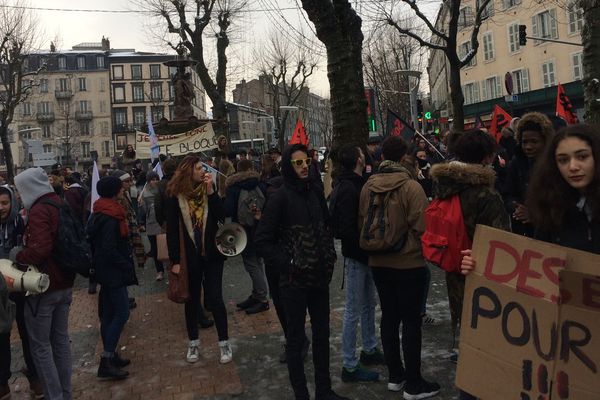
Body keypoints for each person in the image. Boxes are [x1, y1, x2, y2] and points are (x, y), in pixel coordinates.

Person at [460, 124, 599, 399]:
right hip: (564, 339)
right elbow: (536, 266)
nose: (573, 166)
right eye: (563, 160)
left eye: (581, 156)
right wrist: (481, 265)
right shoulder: (552, 208)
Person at [256, 144, 348, 400]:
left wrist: (329, 255)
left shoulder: (315, 191)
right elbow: (262, 240)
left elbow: (326, 226)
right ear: (288, 166)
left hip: (319, 277)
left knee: (322, 336)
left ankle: (324, 390)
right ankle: (301, 395)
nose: (304, 166)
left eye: (306, 161)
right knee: (296, 341)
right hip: (294, 283)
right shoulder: (279, 198)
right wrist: (288, 263)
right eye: (298, 163)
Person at [429, 130, 510, 400]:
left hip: (455, 275)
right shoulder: (486, 196)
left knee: (468, 345)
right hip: (485, 281)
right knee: (488, 352)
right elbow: (501, 249)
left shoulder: (444, 187)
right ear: (487, 157)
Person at [358, 136, 440, 399]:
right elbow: (422, 226)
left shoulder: (367, 187)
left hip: (378, 262)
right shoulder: (411, 186)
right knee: (411, 322)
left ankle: (396, 376)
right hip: (408, 263)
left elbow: (363, 220)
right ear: (404, 155)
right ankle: (414, 384)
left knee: (389, 318)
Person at [13, 168, 76, 400]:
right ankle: (65, 394)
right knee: (60, 341)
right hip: (65, 283)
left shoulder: (39, 210)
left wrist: (18, 255)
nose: (18, 195)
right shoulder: (59, 203)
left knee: (40, 347)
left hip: (45, 286)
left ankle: (54, 396)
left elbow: (40, 250)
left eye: (20, 189)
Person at [164, 155, 232, 364]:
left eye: (203, 167)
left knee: (215, 299)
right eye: (198, 168)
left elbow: (222, 216)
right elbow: (172, 231)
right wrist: (175, 261)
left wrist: (212, 192)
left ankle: (224, 343)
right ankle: (193, 343)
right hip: (189, 257)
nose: (203, 171)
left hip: (212, 254)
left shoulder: (208, 191)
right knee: (192, 300)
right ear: (188, 172)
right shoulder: (175, 196)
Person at [331, 144, 383, 383]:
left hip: (363, 254)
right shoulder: (349, 187)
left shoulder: (355, 183)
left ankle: (370, 348)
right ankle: (349, 365)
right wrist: (364, 244)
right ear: (359, 160)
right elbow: (345, 227)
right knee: (353, 309)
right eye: (362, 153)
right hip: (357, 255)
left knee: (368, 304)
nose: (365, 155)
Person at [87, 176, 136, 380]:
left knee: (108, 314)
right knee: (122, 312)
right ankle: (107, 359)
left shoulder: (99, 210)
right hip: (113, 272)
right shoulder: (111, 215)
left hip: (104, 271)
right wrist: (125, 264)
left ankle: (112, 354)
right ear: (115, 191)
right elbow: (108, 247)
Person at [0, 185, 43, 399]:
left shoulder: (21, 222)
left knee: (28, 333)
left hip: (21, 287)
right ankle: (2, 382)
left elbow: (30, 249)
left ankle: (35, 377)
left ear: (12, 203)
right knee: (1, 336)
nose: (1, 207)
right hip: (0, 291)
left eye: (5, 203)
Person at [225, 159, 270, 315]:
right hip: (260, 227)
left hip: (242, 230)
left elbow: (228, 210)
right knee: (258, 262)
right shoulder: (261, 183)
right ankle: (257, 294)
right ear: (251, 168)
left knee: (251, 263)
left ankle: (263, 298)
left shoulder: (233, 187)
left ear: (238, 170)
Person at [502, 112, 554, 238]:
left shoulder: (556, 163)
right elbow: (508, 193)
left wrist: (535, 214)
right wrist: (517, 208)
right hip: (523, 232)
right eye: (525, 142)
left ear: (545, 141)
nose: (528, 147)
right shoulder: (516, 162)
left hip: (551, 234)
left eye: (534, 141)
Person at [140, 171, 165, 281]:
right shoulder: (144, 193)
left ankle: (169, 267)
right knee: (155, 249)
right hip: (151, 223)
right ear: (148, 181)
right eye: (152, 179)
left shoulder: (162, 191)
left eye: (156, 179)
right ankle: (159, 271)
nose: (155, 181)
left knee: (164, 246)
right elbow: (144, 211)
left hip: (162, 223)